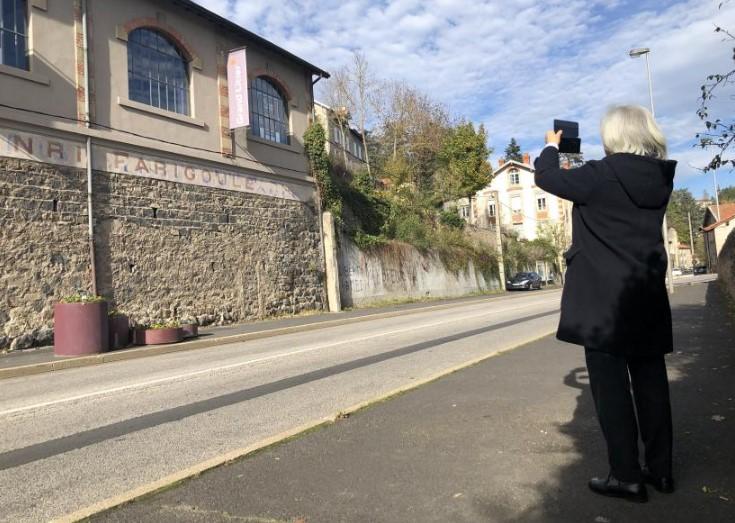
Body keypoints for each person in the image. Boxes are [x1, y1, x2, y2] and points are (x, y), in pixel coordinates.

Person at [535, 105, 676, 503]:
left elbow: (547, 177)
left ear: (613, 136)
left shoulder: (600, 175)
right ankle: (661, 471)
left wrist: (551, 147)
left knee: (611, 389)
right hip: (645, 294)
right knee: (651, 384)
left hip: (602, 303)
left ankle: (626, 476)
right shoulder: (660, 178)